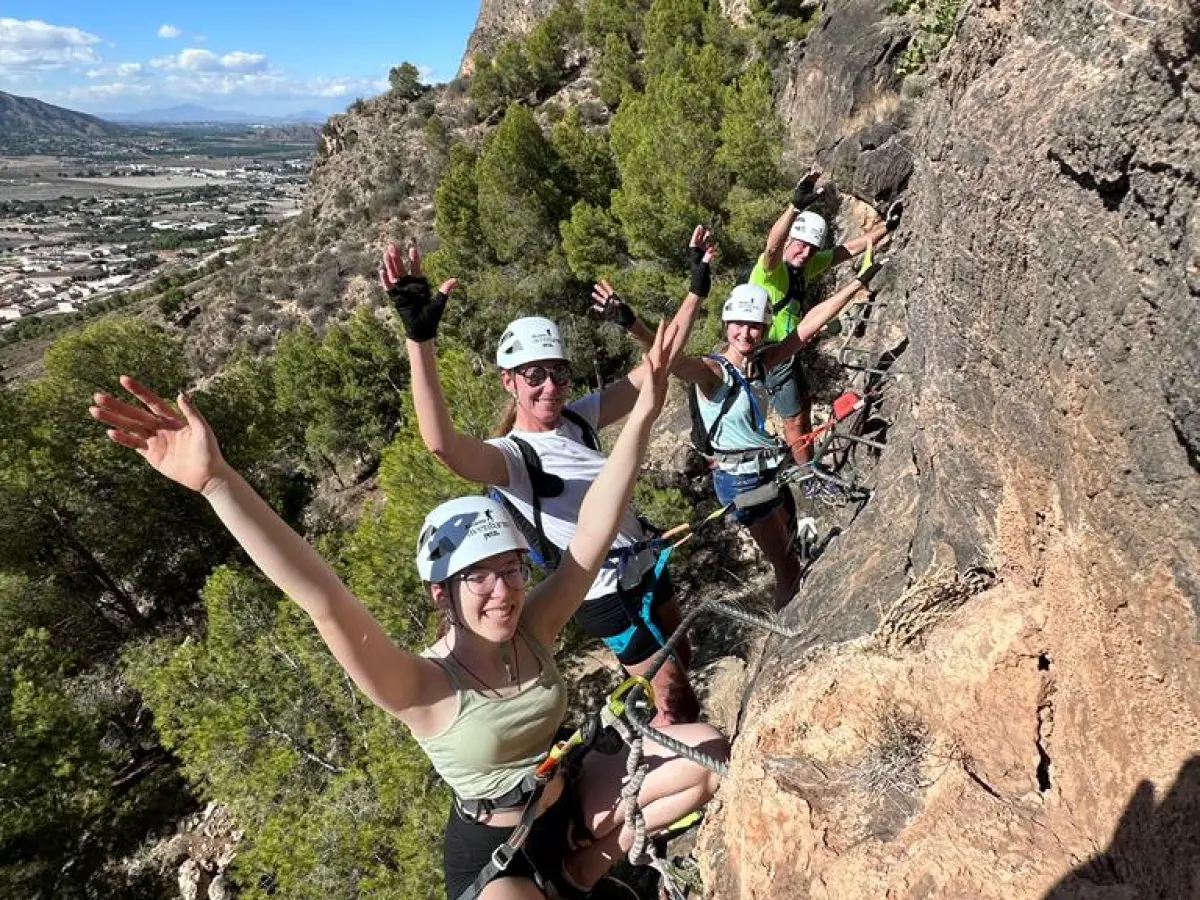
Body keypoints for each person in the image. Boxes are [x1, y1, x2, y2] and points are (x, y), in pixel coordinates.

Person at [87, 319, 727, 900]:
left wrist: (645, 411)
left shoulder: (535, 626)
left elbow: (592, 527)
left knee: (704, 756)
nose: (501, 590)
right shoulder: (422, 686)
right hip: (497, 850)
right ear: (440, 593)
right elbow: (324, 600)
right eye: (476, 578)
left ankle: (585, 870)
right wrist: (219, 484)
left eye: (509, 570)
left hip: (563, 800)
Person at [382, 230, 716, 727]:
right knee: (675, 699)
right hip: (601, 591)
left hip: (643, 559)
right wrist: (419, 340)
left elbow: (658, 365)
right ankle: (676, 775)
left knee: (681, 655)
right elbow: (443, 446)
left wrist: (695, 290)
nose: (549, 387)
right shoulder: (513, 458)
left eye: (557, 373)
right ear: (508, 380)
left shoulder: (579, 419)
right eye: (533, 375)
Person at [596, 264, 881, 610]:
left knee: (792, 548)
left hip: (767, 470)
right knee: (787, 567)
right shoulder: (712, 372)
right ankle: (788, 634)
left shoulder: (762, 362)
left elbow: (808, 325)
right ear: (727, 325)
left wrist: (857, 283)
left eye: (754, 326)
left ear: (763, 329)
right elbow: (671, 362)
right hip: (740, 482)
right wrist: (632, 324)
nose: (746, 333)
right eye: (739, 325)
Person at [752, 169, 903, 468]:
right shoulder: (771, 271)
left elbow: (846, 251)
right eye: (799, 244)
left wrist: (886, 228)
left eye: (811, 248)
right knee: (793, 420)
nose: (805, 252)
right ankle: (808, 475)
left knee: (803, 406)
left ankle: (808, 463)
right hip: (770, 356)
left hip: (790, 349)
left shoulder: (803, 266)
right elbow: (771, 247)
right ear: (788, 241)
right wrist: (795, 207)